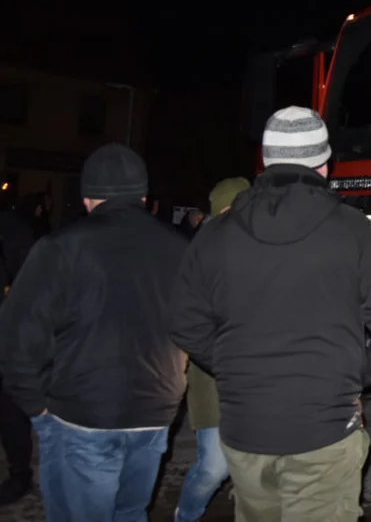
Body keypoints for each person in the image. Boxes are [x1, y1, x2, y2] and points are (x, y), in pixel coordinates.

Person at [170, 106, 371, 521]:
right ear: (324, 164)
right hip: (324, 429)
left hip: (243, 427)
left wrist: (231, 366)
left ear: (266, 162)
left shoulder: (215, 233)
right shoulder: (355, 230)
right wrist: (363, 374)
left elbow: (183, 320)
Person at [0, 143, 188, 520]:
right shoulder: (182, 248)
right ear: (143, 196)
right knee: (131, 512)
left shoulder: (60, 247)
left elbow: (16, 337)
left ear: (87, 198)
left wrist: (36, 408)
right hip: (154, 412)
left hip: (83, 417)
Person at [174, 177, 251, 522]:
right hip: (214, 375)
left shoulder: (264, 247)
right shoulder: (201, 252)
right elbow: (186, 321)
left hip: (258, 376)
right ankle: (185, 515)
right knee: (214, 467)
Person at [0, 207, 35, 505]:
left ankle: (20, 473)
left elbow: (28, 284)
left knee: (10, 406)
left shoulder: (12, 228)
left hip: (6, 332)